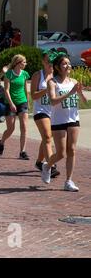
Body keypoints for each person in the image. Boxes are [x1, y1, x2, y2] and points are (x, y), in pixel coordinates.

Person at [41, 53, 88, 191]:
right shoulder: (52, 82)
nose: (68, 66)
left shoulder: (73, 81)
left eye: (68, 63)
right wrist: (70, 92)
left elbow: (84, 102)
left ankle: (68, 181)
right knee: (61, 153)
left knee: (72, 150)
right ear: (57, 67)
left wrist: (80, 92)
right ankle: (47, 166)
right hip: (59, 120)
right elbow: (53, 101)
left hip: (73, 119)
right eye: (64, 64)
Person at [31, 51, 60, 177]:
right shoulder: (38, 75)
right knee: (48, 137)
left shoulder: (57, 76)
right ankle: (50, 165)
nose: (50, 64)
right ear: (43, 61)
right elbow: (33, 96)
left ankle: (39, 162)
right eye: (47, 61)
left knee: (47, 138)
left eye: (52, 61)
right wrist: (46, 90)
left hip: (54, 112)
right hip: (40, 111)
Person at [0, 54, 30, 159]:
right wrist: (11, 104)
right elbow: (6, 90)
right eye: (23, 62)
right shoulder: (9, 74)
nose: (25, 64)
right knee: (11, 129)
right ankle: (2, 142)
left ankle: (22, 152)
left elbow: (25, 89)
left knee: (24, 127)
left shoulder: (25, 74)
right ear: (17, 63)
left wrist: (27, 101)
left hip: (22, 102)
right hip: (10, 102)